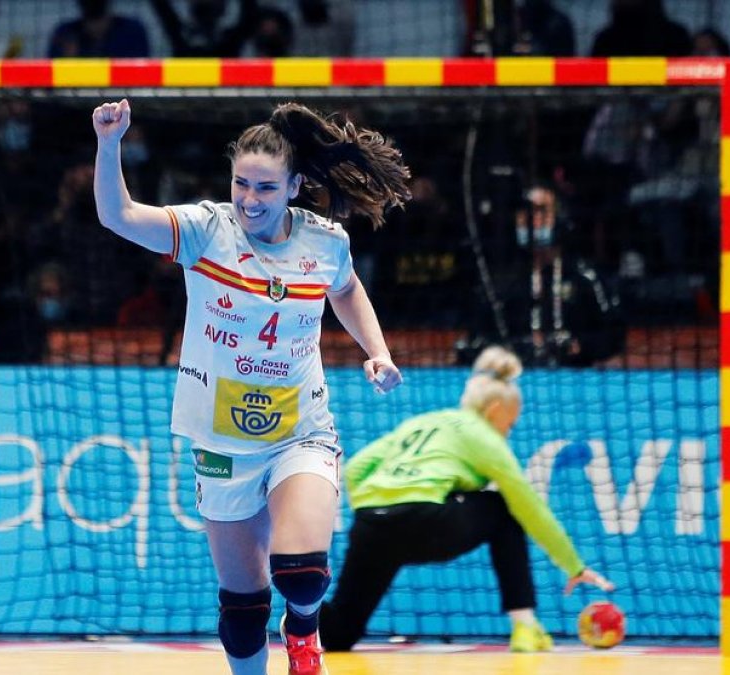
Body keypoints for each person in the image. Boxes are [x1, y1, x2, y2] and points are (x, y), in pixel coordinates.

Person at [93, 99, 411, 675]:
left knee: (303, 571)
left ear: (293, 186)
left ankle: (305, 626)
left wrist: (377, 351)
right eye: (241, 183)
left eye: (265, 188)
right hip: (220, 439)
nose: (249, 199)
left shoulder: (325, 241)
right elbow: (117, 216)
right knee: (243, 611)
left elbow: (346, 288)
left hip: (300, 429)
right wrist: (110, 144)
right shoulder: (204, 231)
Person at [317, 346, 614, 653]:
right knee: (503, 509)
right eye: (509, 424)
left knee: (340, 634)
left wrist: (376, 506)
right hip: (426, 522)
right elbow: (530, 507)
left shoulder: (424, 422)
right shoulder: (484, 436)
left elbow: (355, 468)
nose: (508, 432)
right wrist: (574, 566)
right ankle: (524, 626)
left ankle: (301, 610)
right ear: (495, 410)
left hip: (371, 524)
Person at [456, 183, 625, 367]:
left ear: (560, 218)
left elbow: (613, 338)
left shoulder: (585, 278)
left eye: (541, 211)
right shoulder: (499, 282)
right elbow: (478, 338)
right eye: (524, 213)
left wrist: (578, 346)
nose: (531, 220)